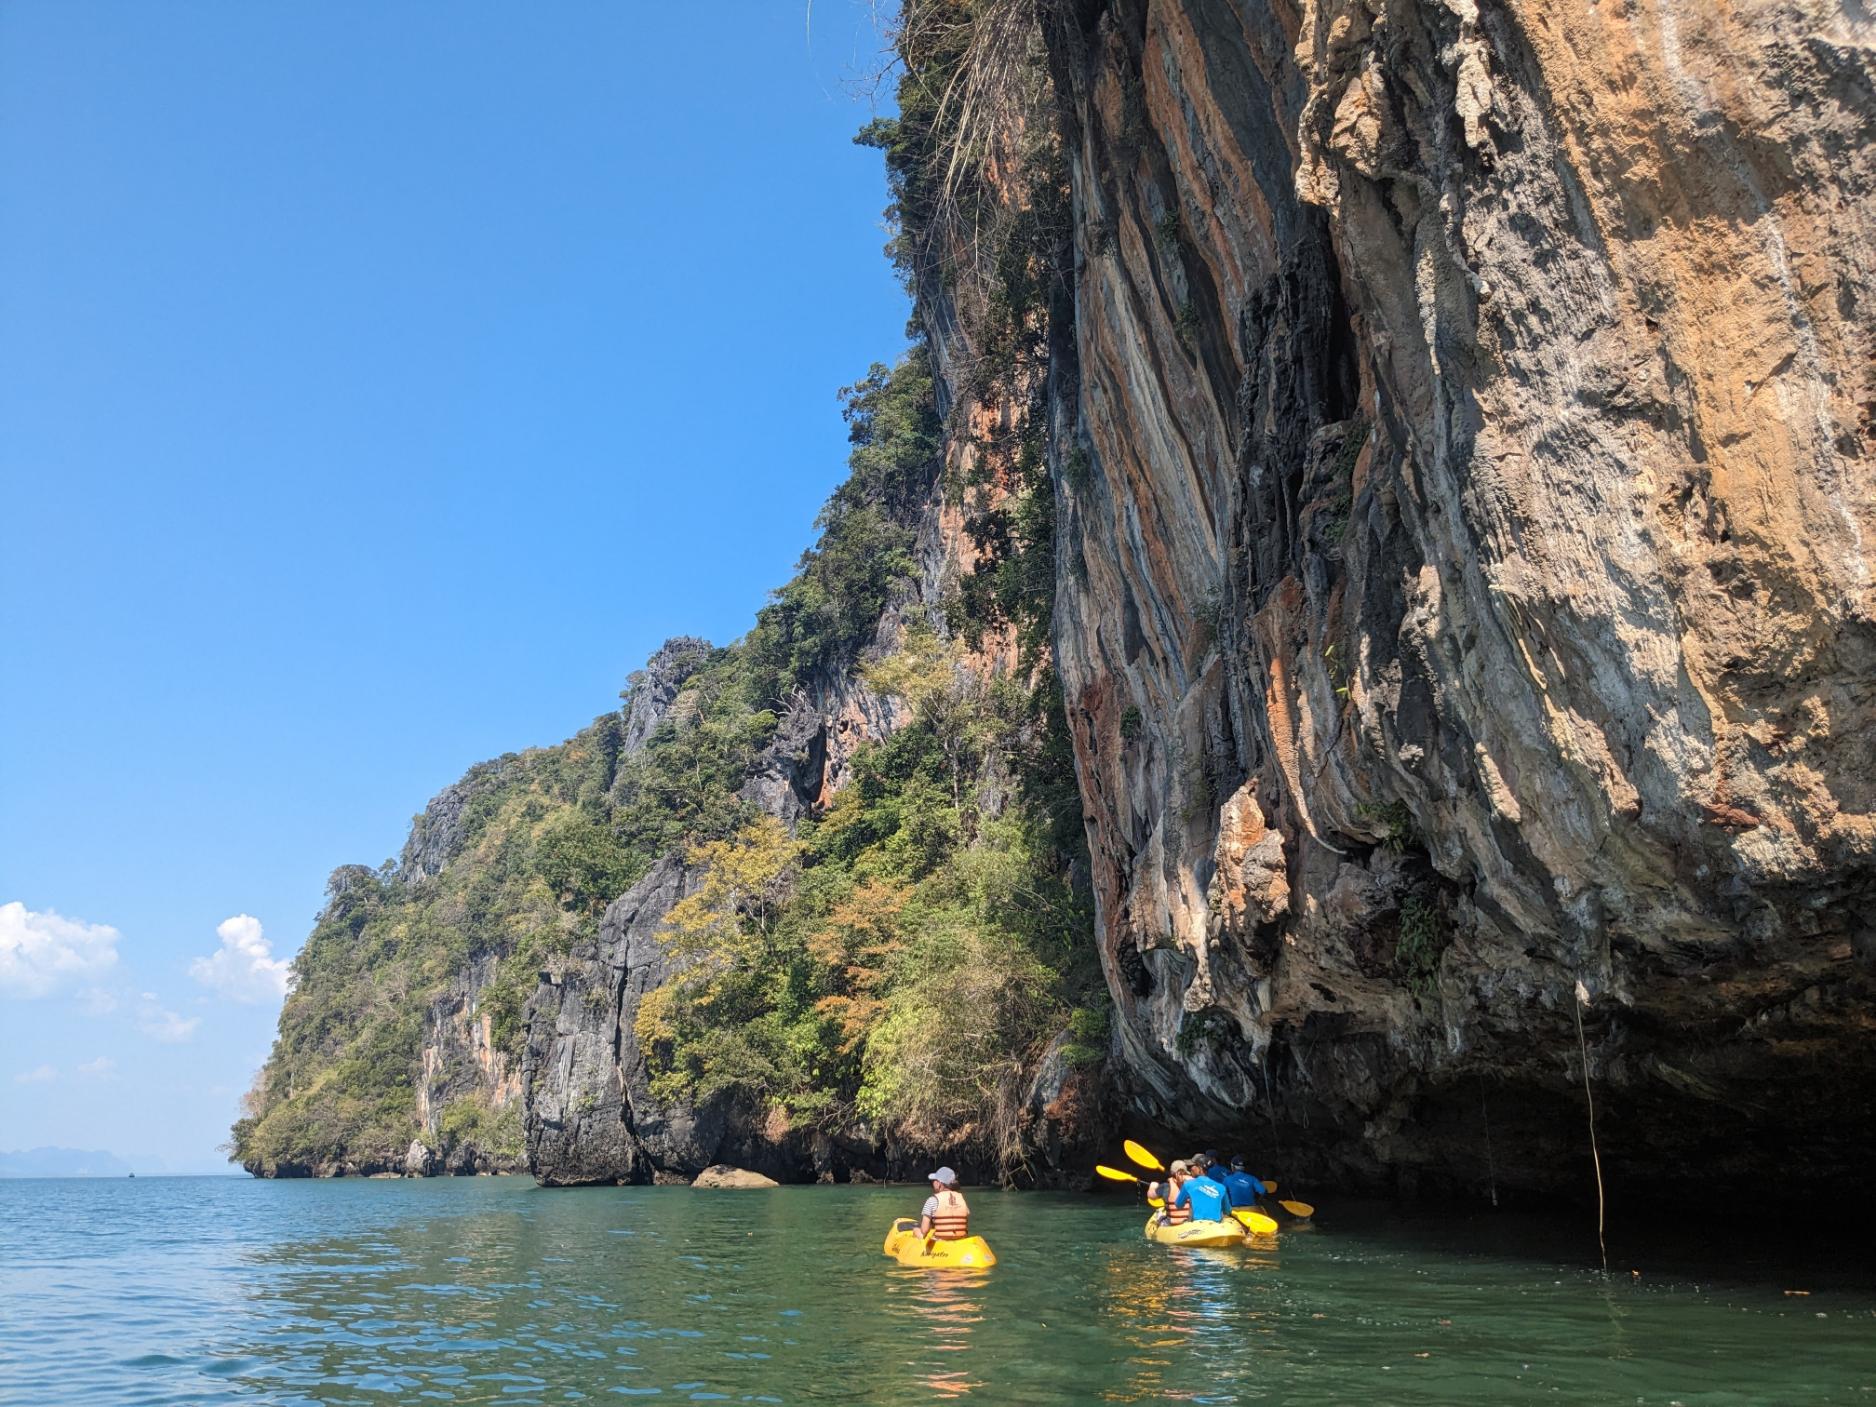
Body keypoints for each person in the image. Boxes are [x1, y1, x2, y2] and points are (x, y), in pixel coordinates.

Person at [1171, 1155, 1233, 1223]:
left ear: (1200, 1169)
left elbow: (1178, 1205)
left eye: (1193, 1166)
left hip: (1197, 1226)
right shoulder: (1221, 1188)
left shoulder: (1188, 1185)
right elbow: (1227, 1211)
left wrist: (1180, 1186)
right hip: (1216, 1228)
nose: (1190, 1169)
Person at [917, 1166, 971, 1241]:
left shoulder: (932, 1200)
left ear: (939, 1184)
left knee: (917, 1231)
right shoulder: (961, 1199)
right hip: (960, 1240)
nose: (933, 1183)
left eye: (934, 1181)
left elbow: (924, 1230)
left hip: (940, 1241)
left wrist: (917, 1231)